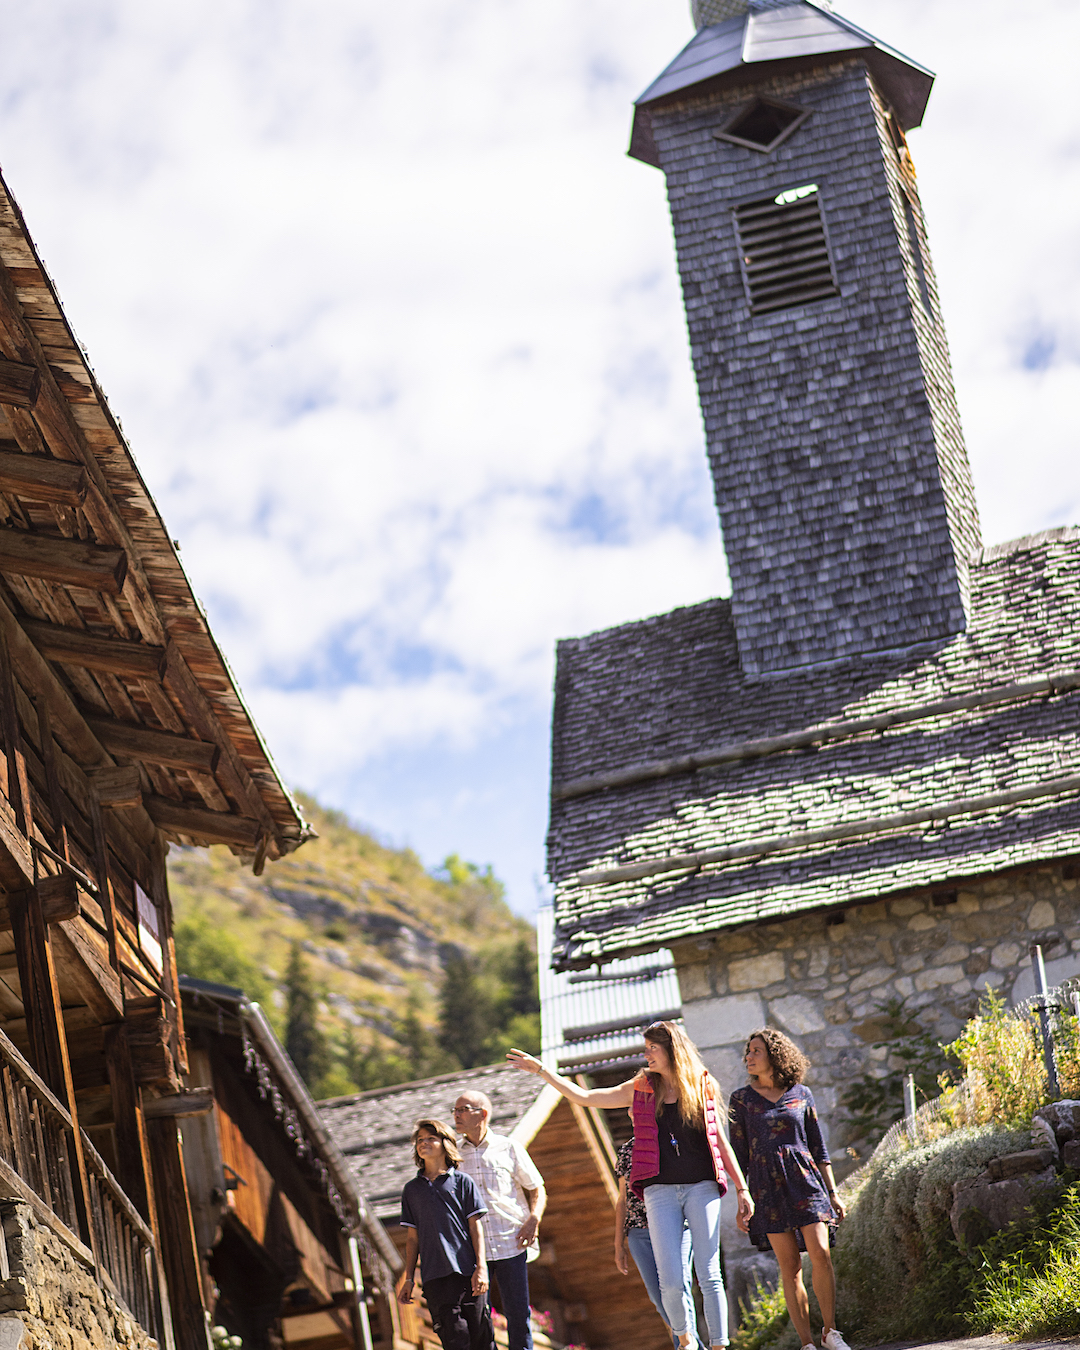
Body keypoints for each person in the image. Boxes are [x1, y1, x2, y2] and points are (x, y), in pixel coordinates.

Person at [508, 1020, 754, 1350]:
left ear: (671, 1049)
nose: (646, 1053)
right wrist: (542, 1071)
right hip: (659, 1192)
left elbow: (720, 1143)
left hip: (701, 1187)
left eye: (653, 1047)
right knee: (669, 1282)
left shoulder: (701, 1085)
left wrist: (742, 1189)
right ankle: (685, 1338)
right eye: (646, 1047)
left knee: (709, 1273)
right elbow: (585, 1097)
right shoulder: (641, 1086)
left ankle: (721, 1345)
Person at [728, 1030, 850, 1350]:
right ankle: (807, 1343)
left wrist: (833, 1192)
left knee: (821, 1254)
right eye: (748, 1051)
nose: (749, 1057)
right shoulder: (741, 1100)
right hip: (766, 1190)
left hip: (805, 1181)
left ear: (775, 1055)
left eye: (756, 1051)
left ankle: (830, 1332)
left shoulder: (801, 1094)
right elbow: (738, 1157)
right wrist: (742, 1199)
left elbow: (818, 1147)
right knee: (790, 1267)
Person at [452, 1090, 547, 1350]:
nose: (456, 1115)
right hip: (474, 1250)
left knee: (518, 1314)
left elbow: (537, 1187)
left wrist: (533, 1219)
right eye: (455, 1110)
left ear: (482, 1114)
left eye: (463, 1110)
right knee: (479, 1317)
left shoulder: (509, 1147)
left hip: (511, 1243)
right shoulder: (454, 1158)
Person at [399, 1118, 495, 1350]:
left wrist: (481, 1267)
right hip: (435, 1279)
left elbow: (475, 1227)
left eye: (431, 1138)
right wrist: (409, 1278)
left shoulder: (463, 1182)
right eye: (420, 1140)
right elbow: (413, 1239)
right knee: (455, 1341)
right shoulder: (411, 1190)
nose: (424, 1143)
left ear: (445, 1143)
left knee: (483, 1340)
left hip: (469, 1274)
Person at [614, 1108, 705, 1350]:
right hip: (639, 1232)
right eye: (633, 1112)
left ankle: (688, 1345)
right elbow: (622, 1200)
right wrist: (618, 1244)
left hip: (676, 1226)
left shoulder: (672, 1141)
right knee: (658, 1296)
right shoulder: (626, 1152)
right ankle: (690, 1344)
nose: (636, 1115)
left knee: (679, 1286)